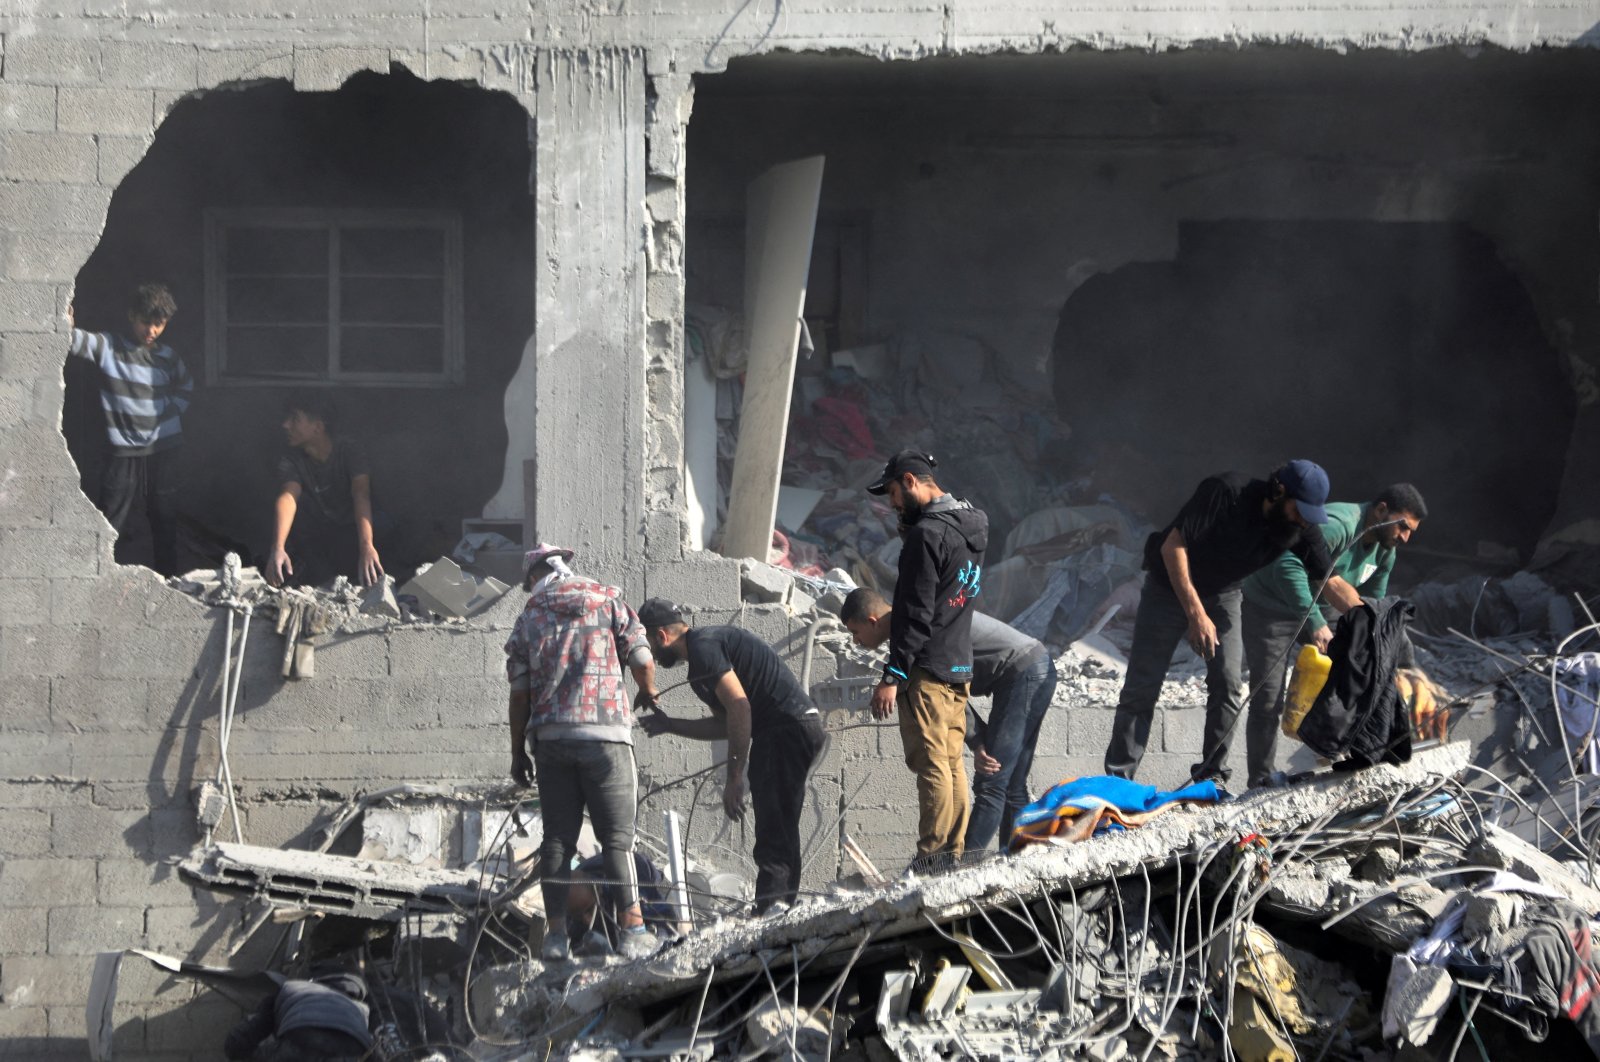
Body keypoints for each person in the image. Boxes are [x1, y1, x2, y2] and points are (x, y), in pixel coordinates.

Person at [1103, 461, 1359, 786]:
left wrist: (1369, 619)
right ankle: (1118, 781)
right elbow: (1173, 546)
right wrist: (1196, 615)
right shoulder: (1226, 492)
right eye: (1300, 509)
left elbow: (1332, 582)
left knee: (1228, 684)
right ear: (1278, 491)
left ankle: (1210, 780)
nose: (1303, 519)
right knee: (1143, 685)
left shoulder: (1300, 527)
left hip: (1223, 595)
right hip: (1168, 589)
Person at [503, 544, 661, 961]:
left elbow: (519, 696)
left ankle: (556, 938)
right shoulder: (610, 602)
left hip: (552, 742)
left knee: (557, 840)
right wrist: (648, 691)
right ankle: (633, 932)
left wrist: (518, 752)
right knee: (617, 841)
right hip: (605, 738)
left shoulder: (529, 618)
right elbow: (643, 660)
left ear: (533, 577)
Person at [635, 598, 827, 913]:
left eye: (651, 648)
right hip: (790, 729)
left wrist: (734, 778)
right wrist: (670, 725)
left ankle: (770, 910)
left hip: (784, 729)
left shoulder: (705, 648)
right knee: (780, 825)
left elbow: (739, 706)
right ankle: (781, 908)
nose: (653, 656)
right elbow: (726, 724)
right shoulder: (702, 657)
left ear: (660, 636)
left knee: (773, 831)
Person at [842, 587, 1058, 855]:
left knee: (991, 779)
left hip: (1024, 671)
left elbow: (947, 691)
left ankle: (963, 868)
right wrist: (978, 742)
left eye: (855, 632)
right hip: (1035, 666)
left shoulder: (915, 632)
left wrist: (979, 743)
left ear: (872, 621)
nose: (856, 641)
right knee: (1010, 783)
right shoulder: (912, 627)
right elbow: (951, 690)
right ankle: (1017, 858)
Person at [1240, 483, 1428, 786]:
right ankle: (1260, 779)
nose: (1404, 537)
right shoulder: (1339, 526)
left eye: (1411, 532)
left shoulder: (1385, 550)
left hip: (1322, 607)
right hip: (1271, 607)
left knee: (1360, 670)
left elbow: (1369, 610)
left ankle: (1342, 751)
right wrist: (1314, 621)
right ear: (1381, 510)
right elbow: (1285, 563)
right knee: (1268, 697)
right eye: (1402, 526)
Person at [863, 449, 989, 871]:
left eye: (895, 493)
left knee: (932, 765)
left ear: (912, 481)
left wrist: (892, 674)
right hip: (957, 664)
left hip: (928, 670)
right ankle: (950, 857)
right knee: (951, 765)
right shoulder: (971, 525)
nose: (893, 503)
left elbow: (916, 613)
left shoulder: (926, 536)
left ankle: (931, 858)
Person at [66, 283, 192, 575]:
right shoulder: (110, 347)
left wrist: (171, 411)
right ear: (131, 316)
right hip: (122, 449)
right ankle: (100, 576)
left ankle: (169, 578)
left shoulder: (168, 357)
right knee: (112, 515)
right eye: (145, 322)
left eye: (158, 325)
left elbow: (185, 384)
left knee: (164, 514)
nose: (151, 331)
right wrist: (65, 325)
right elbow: (74, 341)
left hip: (164, 447)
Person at [266, 393, 384, 588]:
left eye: (295, 419)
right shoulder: (291, 459)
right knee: (300, 512)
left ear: (318, 427)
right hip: (326, 532)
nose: (286, 425)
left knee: (384, 529)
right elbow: (288, 496)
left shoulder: (349, 450)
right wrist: (277, 548)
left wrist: (367, 546)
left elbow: (360, 494)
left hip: (357, 530)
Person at [223, 967, 373, 1061]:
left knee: (236, 1048)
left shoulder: (297, 987)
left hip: (305, 1035)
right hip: (352, 1041)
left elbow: (263, 1020)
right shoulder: (358, 1005)